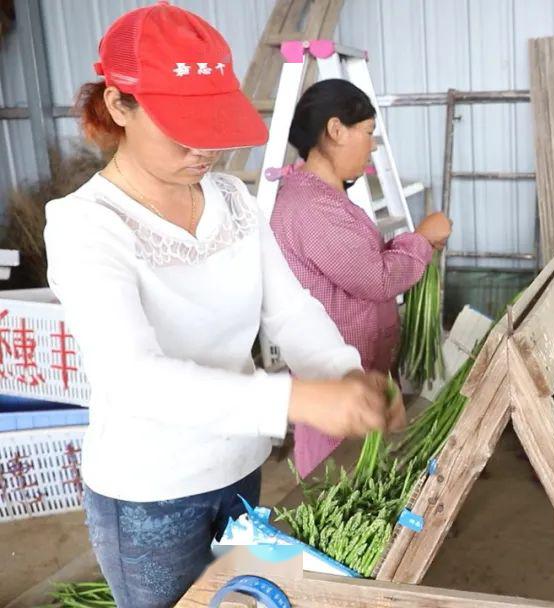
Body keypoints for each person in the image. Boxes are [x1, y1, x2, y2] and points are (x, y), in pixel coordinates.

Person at [44, 4, 403, 606]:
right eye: (182, 129)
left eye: (211, 123)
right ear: (118, 107)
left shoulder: (233, 199)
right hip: (149, 495)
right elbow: (136, 378)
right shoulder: (85, 226)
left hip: (239, 468)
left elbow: (288, 310)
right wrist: (294, 397)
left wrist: (342, 374)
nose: (204, 148)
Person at [268, 78, 452, 478]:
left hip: (359, 374)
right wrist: (420, 240)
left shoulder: (325, 197)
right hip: (337, 385)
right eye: (367, 133)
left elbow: (358, 264)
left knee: (371, 480)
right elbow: (375, 279)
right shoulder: (309, 206)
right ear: (336, 130)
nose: (372, 146)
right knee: (340, 485)